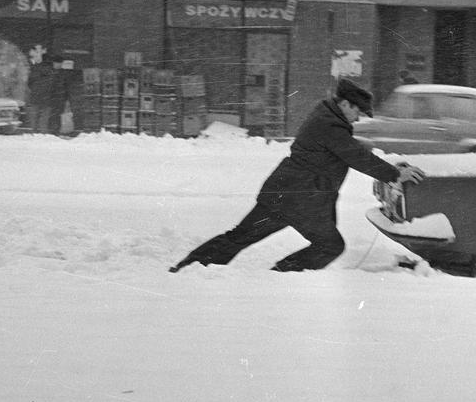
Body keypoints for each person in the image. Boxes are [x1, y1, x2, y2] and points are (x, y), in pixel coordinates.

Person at [169, 78, 425, 273]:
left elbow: (348, 149)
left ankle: (188, 269)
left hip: (285, 194)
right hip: (300, 198)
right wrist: (394, 174)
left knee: (240, 236)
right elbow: (354, 155)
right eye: (357, 111)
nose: (358, 117)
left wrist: (385, 164)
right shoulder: (330, 125)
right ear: (345, 104)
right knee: (330, 246)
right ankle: (281, 275)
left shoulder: (326, 116)